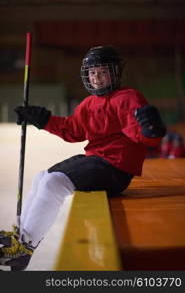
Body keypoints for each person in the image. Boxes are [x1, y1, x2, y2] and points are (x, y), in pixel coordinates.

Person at [0, 45, 166, 270]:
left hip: (116, 168)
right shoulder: (89, 103)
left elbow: (141, 133)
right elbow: (73, 130)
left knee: (53, 183)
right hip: (97, 160)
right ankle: (20, 237)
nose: (96, 77)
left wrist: (150, 132)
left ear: (115, 72)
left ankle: (24, 248)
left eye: (102, 71)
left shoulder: (127, 98)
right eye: (92, 72)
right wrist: (42, 119)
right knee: (42, 176)